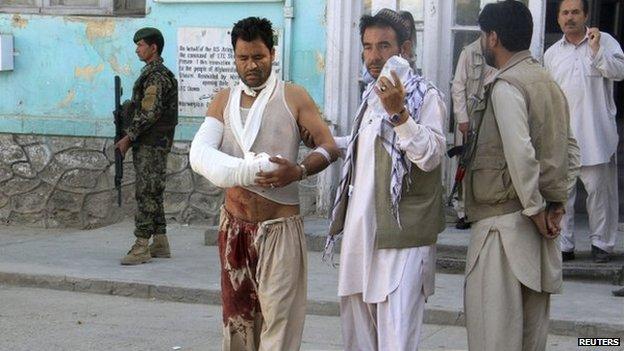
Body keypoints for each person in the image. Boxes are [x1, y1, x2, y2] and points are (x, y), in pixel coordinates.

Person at [189, 17, 338, 351]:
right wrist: (247, 171)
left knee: (280, 325)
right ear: (235, 58)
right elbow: (200, 154)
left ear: (272, 53)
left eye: (259, 56)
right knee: (237, 324)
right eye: (243, 58)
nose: (252, 65)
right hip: (234, 229)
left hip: (279, 230)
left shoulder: (293, 97)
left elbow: (329, 147)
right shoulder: (223, 101)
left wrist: (298, 170)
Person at [325, 8, 447, 350]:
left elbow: (431, 155)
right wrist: (324, 142)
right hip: (361, 235)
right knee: (358, 336)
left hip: (402, 237)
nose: (374, 57)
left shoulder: (426, 96)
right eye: (367, 47)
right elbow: (364, 149)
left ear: (404, 49)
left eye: (383, 46)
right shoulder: (369, 96)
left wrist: (399, 113)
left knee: (397, 338)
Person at [463, 2, 580, 350]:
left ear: (494, 37)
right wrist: (557, 204)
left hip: (504, 233)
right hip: (538, 230)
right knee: (530, 339)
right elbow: (571, 151)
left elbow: (521, 155)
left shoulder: (506, 86)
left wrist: (537, 209)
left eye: (483, 36)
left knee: (494, 336)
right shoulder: (547, 81)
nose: (482, 43)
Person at [544, 0, 624, 263]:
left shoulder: (605, 41)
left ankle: (602, 244)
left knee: (600, 195)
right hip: (564, 137)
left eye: (575, 12)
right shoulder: (552, 54)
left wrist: (596, 49)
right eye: (565, 13)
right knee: (563, 194)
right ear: (558, 19)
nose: (570, 18)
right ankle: (564, 246)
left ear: (585, 15)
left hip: (597, 134)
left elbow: (619, 71)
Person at [116, 27, 178, 266]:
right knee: (153, 191)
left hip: (152, 144)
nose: (137, 49)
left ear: (153, 48)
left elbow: (149, 112)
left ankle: (141, 245)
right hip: (153, 143)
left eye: (141, 45)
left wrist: (128, 137)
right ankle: (160, 242)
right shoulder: (153, 74)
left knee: (145, 193)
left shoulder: (156, 76)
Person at [450, 38, 496, 229]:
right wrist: (462, 119)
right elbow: (458, 86)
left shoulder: (503, 51)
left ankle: (484, 207)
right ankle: (463, 211)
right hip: (470, 115)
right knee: (464, 164)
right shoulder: (469, 52)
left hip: (493, 114)